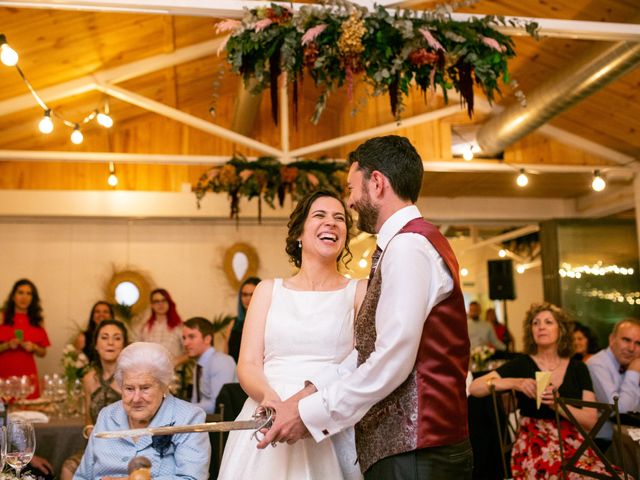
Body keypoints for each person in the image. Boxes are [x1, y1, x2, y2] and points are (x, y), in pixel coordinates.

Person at [259, 136, 472, 479]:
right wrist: (304, 398)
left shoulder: (408, 248)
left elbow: (391, 360)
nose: (350, 201)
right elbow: (364, 353)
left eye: (351, 188)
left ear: (377, 183)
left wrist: (309, 414)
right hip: (405, 453)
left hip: (418, 453)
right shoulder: (401, 247)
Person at [218, 189, 367, 480]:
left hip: (328, 415)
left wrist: (303, 407)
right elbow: (248, 363)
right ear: (299, 232)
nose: (332, 223)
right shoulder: (267, 290)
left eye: (340, 219)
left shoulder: (358, 291)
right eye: (320, 216)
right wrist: (272, 401)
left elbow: (361, 361)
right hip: (268, 411)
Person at [470, 302, 613, 479]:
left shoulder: (578, 368)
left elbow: (590, 421)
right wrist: (515, 382)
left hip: (575, 444)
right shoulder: (521, 364)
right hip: (534, 443)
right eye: (535, 323)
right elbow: (475, 387)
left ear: (561, 330)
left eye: (548, 322)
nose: (541, 327)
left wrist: (557, 405)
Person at [73, 342, 210, 479]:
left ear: (163, 386)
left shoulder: (188, 418)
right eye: (129, 389)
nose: (136, 398)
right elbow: (82, 476)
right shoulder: (107, 416)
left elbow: (192, 478)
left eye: (145, 388)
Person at [62, 319, 129, 480]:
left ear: (125, 346)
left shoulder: (131, 378)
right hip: (96, 445)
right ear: (96, 345)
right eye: (104, 337)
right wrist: (89, 430)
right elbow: (88, 416)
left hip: (127, 447)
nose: (110, 343)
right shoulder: (89, 378)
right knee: (68, 468)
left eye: (117, 338)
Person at [587, 318, 640, 446]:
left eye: (638, 343)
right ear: (612, 339)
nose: (631, 348)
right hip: (605, 444)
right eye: (626, 340)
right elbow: (620, 412)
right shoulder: (597, 364)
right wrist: (633, 372)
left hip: (631, 438)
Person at [0, 279, 50, 398]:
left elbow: (43, 352)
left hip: (27, 374)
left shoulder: (38, 320)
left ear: (33, 298)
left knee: (29, 411)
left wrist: (34, 347)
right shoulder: (2, 316)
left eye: (29, 294)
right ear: (13, 296)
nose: (24, 297)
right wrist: (7, 345)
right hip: (4, 373)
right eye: (20, 292)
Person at [182, 316, 236, 414]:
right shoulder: (198, 365)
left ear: (207, 339)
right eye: (184, 338)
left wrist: (182, 409)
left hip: (223, 425)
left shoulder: (221, 361)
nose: (185, 343)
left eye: (191, 337)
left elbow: (218, 405)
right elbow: (196, 402)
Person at [138, 288, 185, 362]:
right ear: (152, 305)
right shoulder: (145, 328)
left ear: (169, 303)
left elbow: (190, 352)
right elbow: (139, 352)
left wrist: (176, 362)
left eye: (164, 300)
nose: (161, 304)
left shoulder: (178, 326)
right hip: (150, 371)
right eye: (156, 301)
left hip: (173, 372)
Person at [228, 277, 261, 363]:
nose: (248, 298)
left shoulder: (266, 323)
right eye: (244, 294)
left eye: (252, 294)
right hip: (234, 373)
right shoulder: (233, 323)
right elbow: (226, 355)